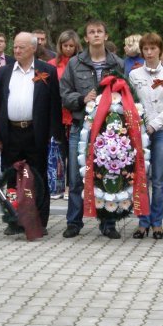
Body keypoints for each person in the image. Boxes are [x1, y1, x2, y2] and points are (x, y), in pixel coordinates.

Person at [0, 31, 63, 235]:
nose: (17, 50)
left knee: (37, 178)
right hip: (11, 133)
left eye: (22, 47)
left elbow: (54, 106)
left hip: (35, 133)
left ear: (33, 48)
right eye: (15, 46)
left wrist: (53, 136)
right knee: (13, 179)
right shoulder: (2, 73)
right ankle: (14, 219)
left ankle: (39, 221)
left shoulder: (47, 71)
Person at [61, 19, 126, 239]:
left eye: (100, 31)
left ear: (106, 36)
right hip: (81, 128)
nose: (96, 35)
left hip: (109, 131)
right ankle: (74, 222)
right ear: (86, 38)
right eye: (91, 32)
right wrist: (81, 99)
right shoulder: (74, 64)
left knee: (108, 174)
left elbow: (127, 94)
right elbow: (64, 93)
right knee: (76, 177)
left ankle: (108, 223)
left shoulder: (117, 63)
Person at [129, 33, 163, 240]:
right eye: (145, 49)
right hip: (140, 131)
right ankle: (143, 222)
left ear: (160, 50)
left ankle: (157, 222)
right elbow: (132, 103)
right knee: (141, 177)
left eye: (153, 49)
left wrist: (155, 125)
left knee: (158, 179)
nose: (149, 53)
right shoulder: (134, 75)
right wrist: (143, 125)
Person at [49, 30, 80, 199]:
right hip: (57, 113)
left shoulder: (79, 62)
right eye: (65, 45)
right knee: (58, 151)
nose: (68, 49)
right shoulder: (52, 63)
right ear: (60, 46)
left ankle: (70, 186)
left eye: (71, 46)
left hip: (74, 113)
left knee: (73, 152)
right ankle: (56, 185)